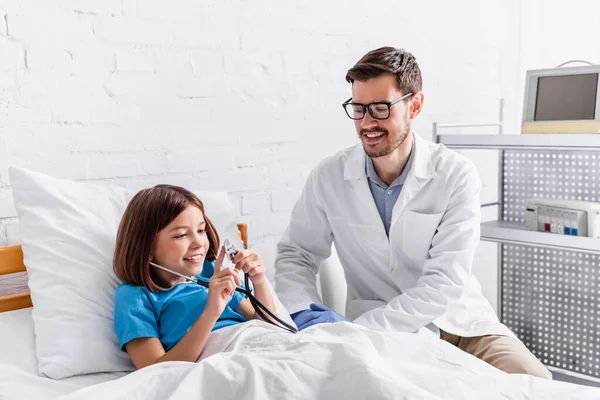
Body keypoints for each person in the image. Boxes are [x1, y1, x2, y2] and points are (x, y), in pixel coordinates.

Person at [274, 46, 551, 379]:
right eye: (358, 109)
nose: (366, 123)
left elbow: (444, 283)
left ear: (414, 105)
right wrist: (303, 315)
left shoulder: (455, 174)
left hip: (460, 324)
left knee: (534, 380)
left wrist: (358, 330)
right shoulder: (329, 175)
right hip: (377, 331)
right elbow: (297, 254)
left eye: (379, 108)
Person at [113, 184, 277, 369]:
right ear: (146, 249)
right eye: (181, 235)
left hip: (255, 344)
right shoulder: (135, 296)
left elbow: (268, 325)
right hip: (220, 361)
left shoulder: (209, 272)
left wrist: (259, 280)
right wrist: (211, 312)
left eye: (201, 230)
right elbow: (154, 369)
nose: (199, 242)